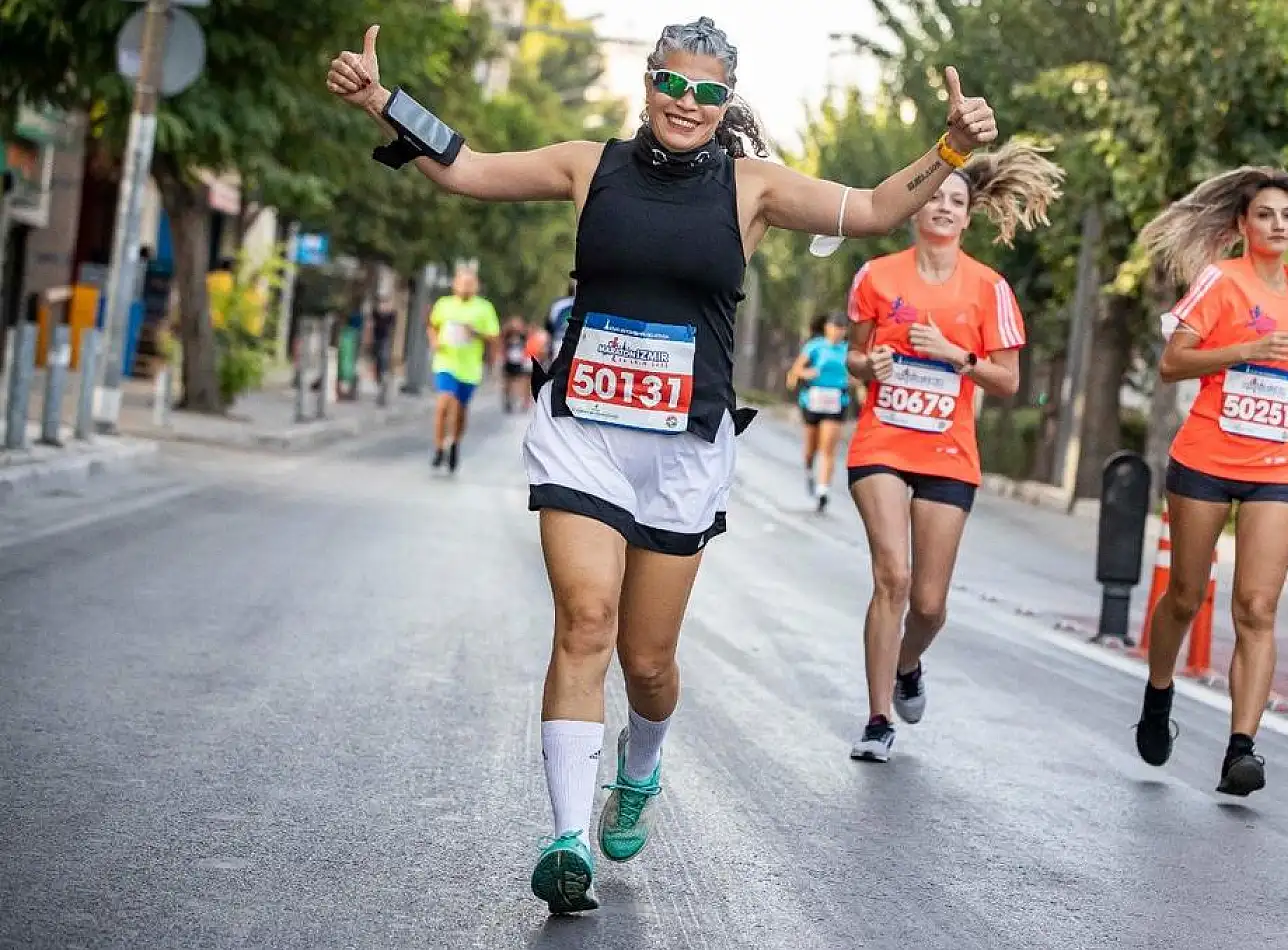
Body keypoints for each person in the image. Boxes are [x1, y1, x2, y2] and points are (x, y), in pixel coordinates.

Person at [328, 16, 1000, 914]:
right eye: (672, 85)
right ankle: (567, 839)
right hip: (584, 430)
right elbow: (470, 168)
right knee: (585, 621)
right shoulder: (586, 164)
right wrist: (385, 103)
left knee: (647, 661)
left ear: (727, 104)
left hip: (684, 447)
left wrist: (950, 147)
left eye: (708, 92)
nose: (687, 104)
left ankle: (639, 768)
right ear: (647, 84)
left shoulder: (752, 188)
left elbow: (877, 207)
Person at [842, 143, 1064, 762]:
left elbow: (1006, 380)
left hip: (947, 451)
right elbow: (855, 357)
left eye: (955, 201)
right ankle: (878, 717)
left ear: (969, 216)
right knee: (894, 576)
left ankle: (909, 662)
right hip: (881, 441)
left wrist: (952, 355)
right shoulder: (878, 277)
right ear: (916, 208)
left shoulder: (988, 290)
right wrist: (872, 363)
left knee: (931, 605)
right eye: (933, 196)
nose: (942, 207)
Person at [1130, 166, 1288, 796]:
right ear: (1242, 225)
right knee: (1187, 596)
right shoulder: (1220, 281)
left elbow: (1284, 367)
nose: (1278, 225)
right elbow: (1171, 364)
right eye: (1265, 214)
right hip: (1208, 459)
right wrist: (1241, 352)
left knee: (1258, 608)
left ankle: (1242, 749)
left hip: (1276, 461)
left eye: (1287, 216)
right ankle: (1159, 695)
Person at [425, 267, 500, 472]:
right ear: (455, 284)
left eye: (470, 283)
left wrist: (474, 332)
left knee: (460, 410)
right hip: (445, 362)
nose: (465, 287)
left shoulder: (484, 308)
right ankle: (439, 447)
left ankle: (455, 443)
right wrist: (434, 341)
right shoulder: (444, 304)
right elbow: (432, 325)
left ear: (476, 286)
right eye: (462, 283)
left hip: (469, 368)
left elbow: (494, 336)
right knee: (444, 403)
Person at [786, 312, 852, 511]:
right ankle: (808, 468)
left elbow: (857, 376)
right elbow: (795, 370)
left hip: (836, 401)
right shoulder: (815, 346)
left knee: (828, 447)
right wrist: (807, 373)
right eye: (834, 327)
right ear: (827, 328)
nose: (837, 331)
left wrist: (855, 382)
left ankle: (823, 491)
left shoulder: (848, 350)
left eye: (841, 328)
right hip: (813, 400)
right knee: (811, 448)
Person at [502, 315, 534, 413]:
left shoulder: (523, 336)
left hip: (521, 361)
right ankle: (508, 400)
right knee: (508, 382)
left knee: (524, 382)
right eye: (514, 324)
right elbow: (501, 340)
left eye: (518, 324)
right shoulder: (507, 335)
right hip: (509, 361)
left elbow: (530, 337)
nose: (516, 326)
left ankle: (525, 402)